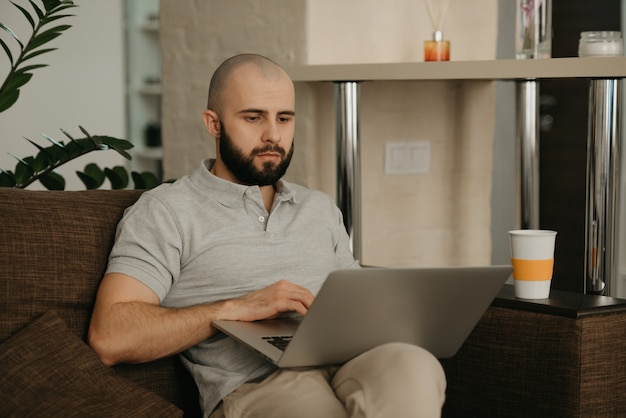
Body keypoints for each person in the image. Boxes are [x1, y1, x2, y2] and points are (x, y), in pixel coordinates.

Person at [88, 53, 446, 418]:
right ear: (213, 124)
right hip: (258, 383)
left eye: (284, 118)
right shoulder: (166, 210)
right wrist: (236, 308)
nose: (274, 134)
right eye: (253, 117)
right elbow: (111, 336)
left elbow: (357, 305)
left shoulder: (319, 207)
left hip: (351, 361)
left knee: (414, 365)